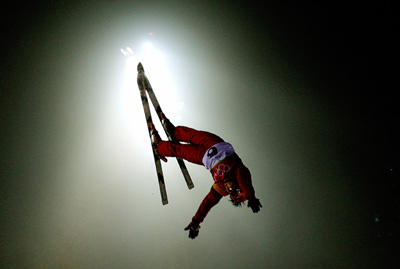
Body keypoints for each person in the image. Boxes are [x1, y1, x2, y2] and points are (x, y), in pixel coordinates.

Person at [151, 114, 262, 239]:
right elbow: (245, 180)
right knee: (189, 134)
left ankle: (159, 147)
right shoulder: (237, 170)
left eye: (231, 191)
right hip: (215, 143)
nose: (229, 187)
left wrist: (196, 222)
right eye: (235, 189)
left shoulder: (221, 188)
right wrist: (251, 197)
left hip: (203, 156)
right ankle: (173, 131)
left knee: (181, 151)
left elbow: (207, 203)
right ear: (239, 187)